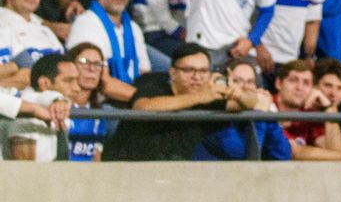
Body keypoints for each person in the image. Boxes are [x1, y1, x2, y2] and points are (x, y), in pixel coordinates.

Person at [103, 44, 259, 161]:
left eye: (203, 71)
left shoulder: (208, 94)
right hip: (126, 168)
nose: (197, 77)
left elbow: (250, 103)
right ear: (173, 72)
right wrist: (198, 97)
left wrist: (238, 94)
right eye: (189, 70)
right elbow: (143, 107)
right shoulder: (152, 82)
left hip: (174, 174)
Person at [65, 0, 151, 102]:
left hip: (129, 101)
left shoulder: (134, 28)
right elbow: (102, 84)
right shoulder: (86, 24)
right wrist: (147, 101)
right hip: (101, 106)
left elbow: (144, 74)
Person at [273, 58, 341, 177]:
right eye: (293, 81)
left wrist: (329, 109)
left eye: (306, 83)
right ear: (278, 83)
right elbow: (294, 151)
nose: (300, 87)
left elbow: (335, 152)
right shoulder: (268, 105)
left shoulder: (310, 113)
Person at [192, 59, 292, 161]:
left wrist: (268, 117)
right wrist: (259, 114)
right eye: (237, 81)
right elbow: (241, 154)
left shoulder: (259, 109)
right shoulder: (216, 110)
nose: (245, 87)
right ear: (226, 83)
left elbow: (284, 155)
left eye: (250, 82)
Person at [0, 52, 74, 161]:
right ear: (44, 82)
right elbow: (30, 100)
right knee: (26, 120)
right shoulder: (22, 102)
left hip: (54, 174)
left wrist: (59, 100)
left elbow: (39, 97)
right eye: (68, 81)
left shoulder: (54, 102)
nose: (77, 88)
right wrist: (34, 109)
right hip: (16, 174)